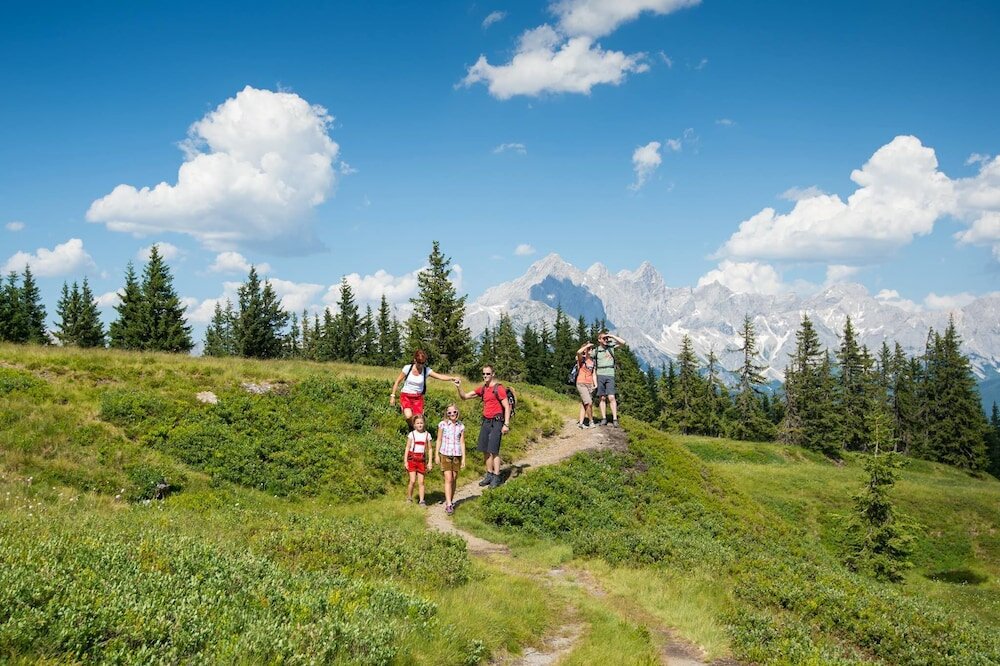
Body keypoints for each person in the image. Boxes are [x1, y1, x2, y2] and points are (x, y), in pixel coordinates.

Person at [456, 365, 510, 489]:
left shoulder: (499, 388)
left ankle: (497, 476)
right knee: (485, 449)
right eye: (484, 374)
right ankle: (489, 474)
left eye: (488, 374)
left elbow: (506, 406)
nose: (485, 376)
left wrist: (506, 424)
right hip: (485, 421)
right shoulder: (483, 389)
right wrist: (459, 387)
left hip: (497, 421)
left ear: (493, 374)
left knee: (494, 450)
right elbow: (464, 397)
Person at [390, 349, 460, 427]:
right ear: (414, 360)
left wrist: (452, 378)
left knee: (418, 419)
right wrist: (392, 396)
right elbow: (397, 381)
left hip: (418, 398)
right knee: (408, 416)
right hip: (406, 396)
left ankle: (414, 431)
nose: (420, 365)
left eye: (422, 363)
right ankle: (412, 428)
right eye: (419, 362)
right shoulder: (407, 368)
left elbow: (440, 376)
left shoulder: (426, 370)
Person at [435, 403, 466, 515]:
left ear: (457, 412)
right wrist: (436, 454)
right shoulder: (442, 425)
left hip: (457, 454)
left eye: (454, 412)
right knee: (448, 478)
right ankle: (448, 504)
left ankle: (451, 500)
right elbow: (438, 439)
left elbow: (462, 442)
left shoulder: (461, 426)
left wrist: (463, 458)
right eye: (449, 413)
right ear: (446, 414)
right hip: (445, 453)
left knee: (454, 478)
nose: (452, 414)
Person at [591, 330, 626, 427]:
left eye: (607, 338)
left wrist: (611, 336)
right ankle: (604, 418)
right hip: (600, 374)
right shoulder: (596, 351)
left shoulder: (611, 347)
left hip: (610, 374)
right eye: (604, 338)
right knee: (602, 397)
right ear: (599, 340)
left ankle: (615, 419)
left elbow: (623, 343)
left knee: (611, 397)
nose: (606, 339)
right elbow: (588, 357)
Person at [404, 414, 433, 505]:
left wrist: (430, 462)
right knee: (412, 480)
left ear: (424, 423)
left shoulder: (427, 435)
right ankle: (409, 497)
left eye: (421, 423)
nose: (420, 425)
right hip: (412, 459)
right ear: (414, 425)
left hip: (421, 460)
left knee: (421, 481)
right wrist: (405, 461)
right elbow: (407, 447)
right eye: (417, 423)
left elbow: (430, 449)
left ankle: (421, 500)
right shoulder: (412, 434)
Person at [574, 343, 599, 428]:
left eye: (591, 349)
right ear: (585, 350)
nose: (591, 350)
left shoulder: (593, 361)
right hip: (581, 383)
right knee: (589, 402)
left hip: (590, 384)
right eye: (589, 349)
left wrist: (595, 383)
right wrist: (586, 346)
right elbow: (578, 352)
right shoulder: (581, 359)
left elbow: (594, 374)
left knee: (584, 403)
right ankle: (591, 422)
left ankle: (581, 423)